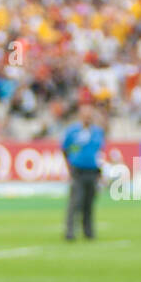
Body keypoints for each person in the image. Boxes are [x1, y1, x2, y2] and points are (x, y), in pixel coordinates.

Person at [62, 101, 105, 240]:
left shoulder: (97, 132)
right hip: (78, 170)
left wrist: (100, 172)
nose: (87, 117)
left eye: (89, 115)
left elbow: (100, 152)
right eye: (85, 115)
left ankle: (88, 232)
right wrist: (69, 165)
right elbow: (65, 148)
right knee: (75, 202)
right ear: (80, 116)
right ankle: (70, 232)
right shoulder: (72, 131)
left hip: (92, 171)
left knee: (89, 202)